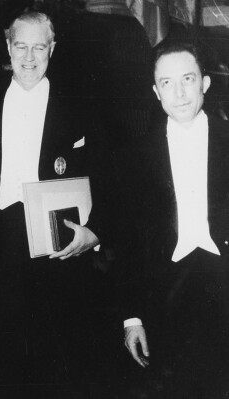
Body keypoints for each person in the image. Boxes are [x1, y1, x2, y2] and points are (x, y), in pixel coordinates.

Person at [0, 10, 111, 397]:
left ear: (52, 49)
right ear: (7, 47)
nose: (29, 57)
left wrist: (96, 230)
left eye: (40, 47)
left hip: (57, 253)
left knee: (55, 367)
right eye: (21, 46)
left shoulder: (80, 107)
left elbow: (109, 180)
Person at [118, 41, 229, 398]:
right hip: (165, 298)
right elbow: (129, 241)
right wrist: (132, 319)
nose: (179, 93)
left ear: (205, 83)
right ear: (155, 91)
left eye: (187, 79)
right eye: (167, 83)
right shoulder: (136, 156)